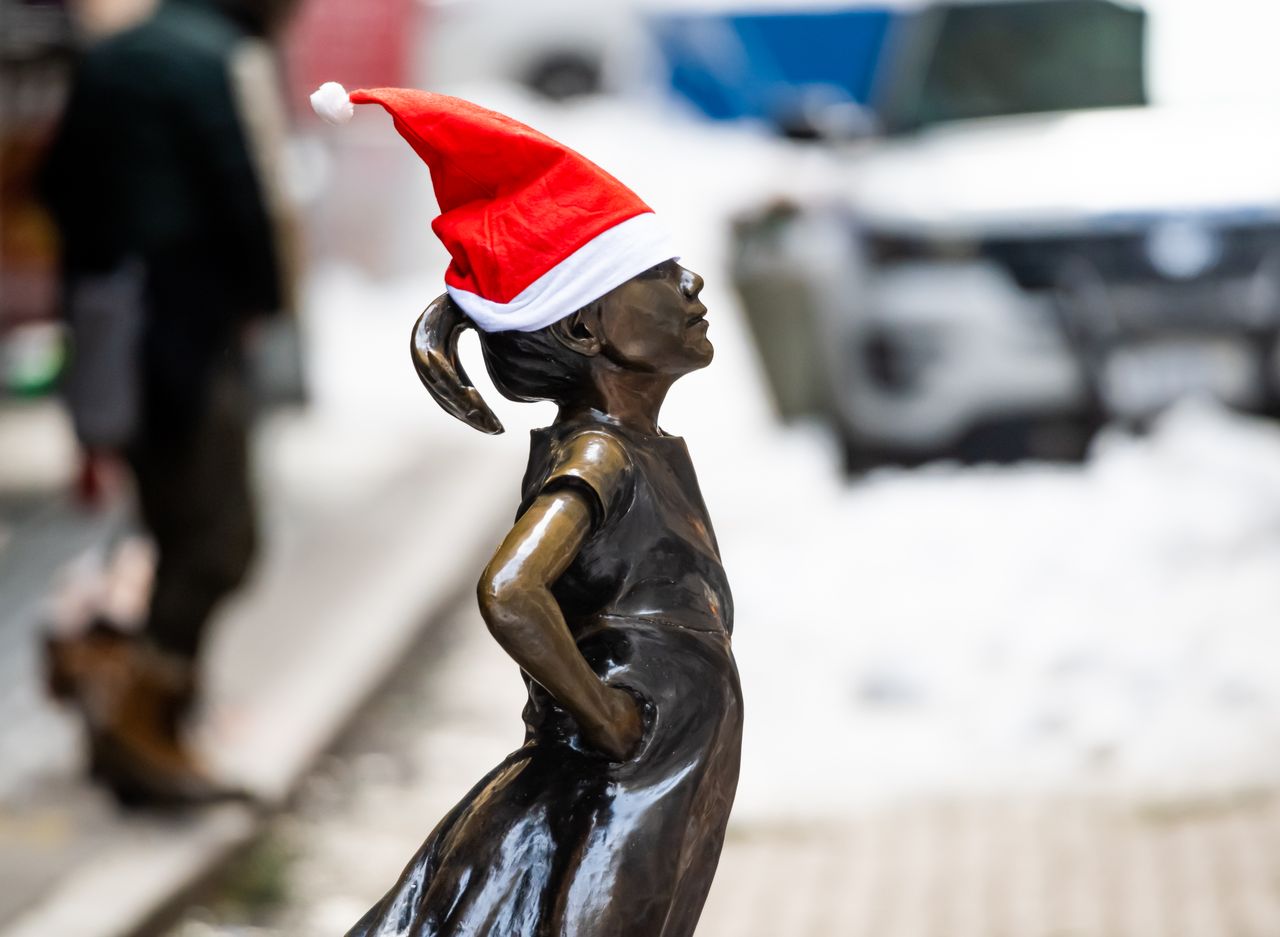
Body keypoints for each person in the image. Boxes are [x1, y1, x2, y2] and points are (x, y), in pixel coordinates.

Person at [311, 85, 743, 937]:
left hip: (670, 739)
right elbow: (511, 589)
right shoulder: (600, 453)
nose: (690, 283)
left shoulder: (630, 446)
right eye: (655, 274)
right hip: (639, 745)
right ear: (587, 328)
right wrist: (607, 715)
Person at [39, 0, 293, 805]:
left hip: (114, 327)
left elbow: (56, 181)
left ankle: (151, 726)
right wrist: (268, 297)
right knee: (219, 542)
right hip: (187, 328)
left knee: (173, 524)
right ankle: (136, 725)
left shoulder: (120, 52)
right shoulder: (218, 58)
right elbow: (244, 191)